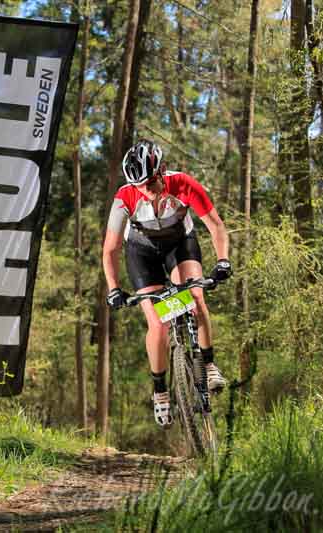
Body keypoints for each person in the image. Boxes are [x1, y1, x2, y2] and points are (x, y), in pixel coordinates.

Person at [102, 139, 232, 428]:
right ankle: (160, 390)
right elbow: (110, 249)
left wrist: (223, 260)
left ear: (162, 170)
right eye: (139, 185)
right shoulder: (125, 197)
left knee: (195, 298)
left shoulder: (183, 184)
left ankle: (209, 364)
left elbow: (215, 225)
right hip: (142, 254)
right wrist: (113, 288)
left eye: (150, 182)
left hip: (179, 245)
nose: (145, 190)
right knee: (158, 323)